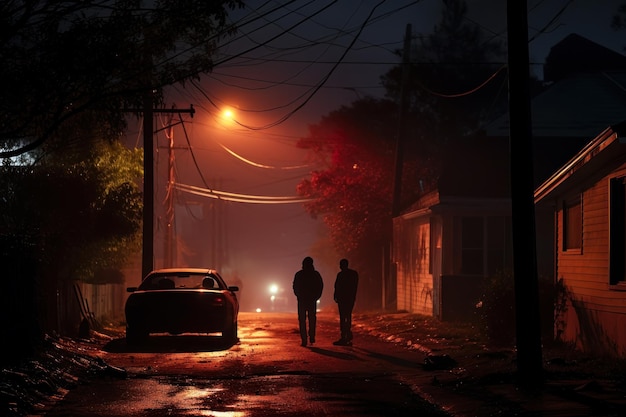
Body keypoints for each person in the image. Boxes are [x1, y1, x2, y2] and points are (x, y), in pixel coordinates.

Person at [293, 256, 324, 347]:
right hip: (311, 300)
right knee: (312, 319)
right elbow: (320, 286)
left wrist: (298, 295)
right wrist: (316, 297)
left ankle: (304, 339)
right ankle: (311, 336)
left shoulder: (299, 274)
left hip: (302, 300)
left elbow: (295, 286)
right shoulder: (315, 274)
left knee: (302, 320)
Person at [333, 258, 358, 346]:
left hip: (343, 299)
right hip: (349, 299)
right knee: (347, 316)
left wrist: (336, 296)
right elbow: (355, 287)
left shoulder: (341, 275)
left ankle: (345, 336)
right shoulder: (353, 274)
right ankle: (347, 334)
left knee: (343, 318)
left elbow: (336, 287)